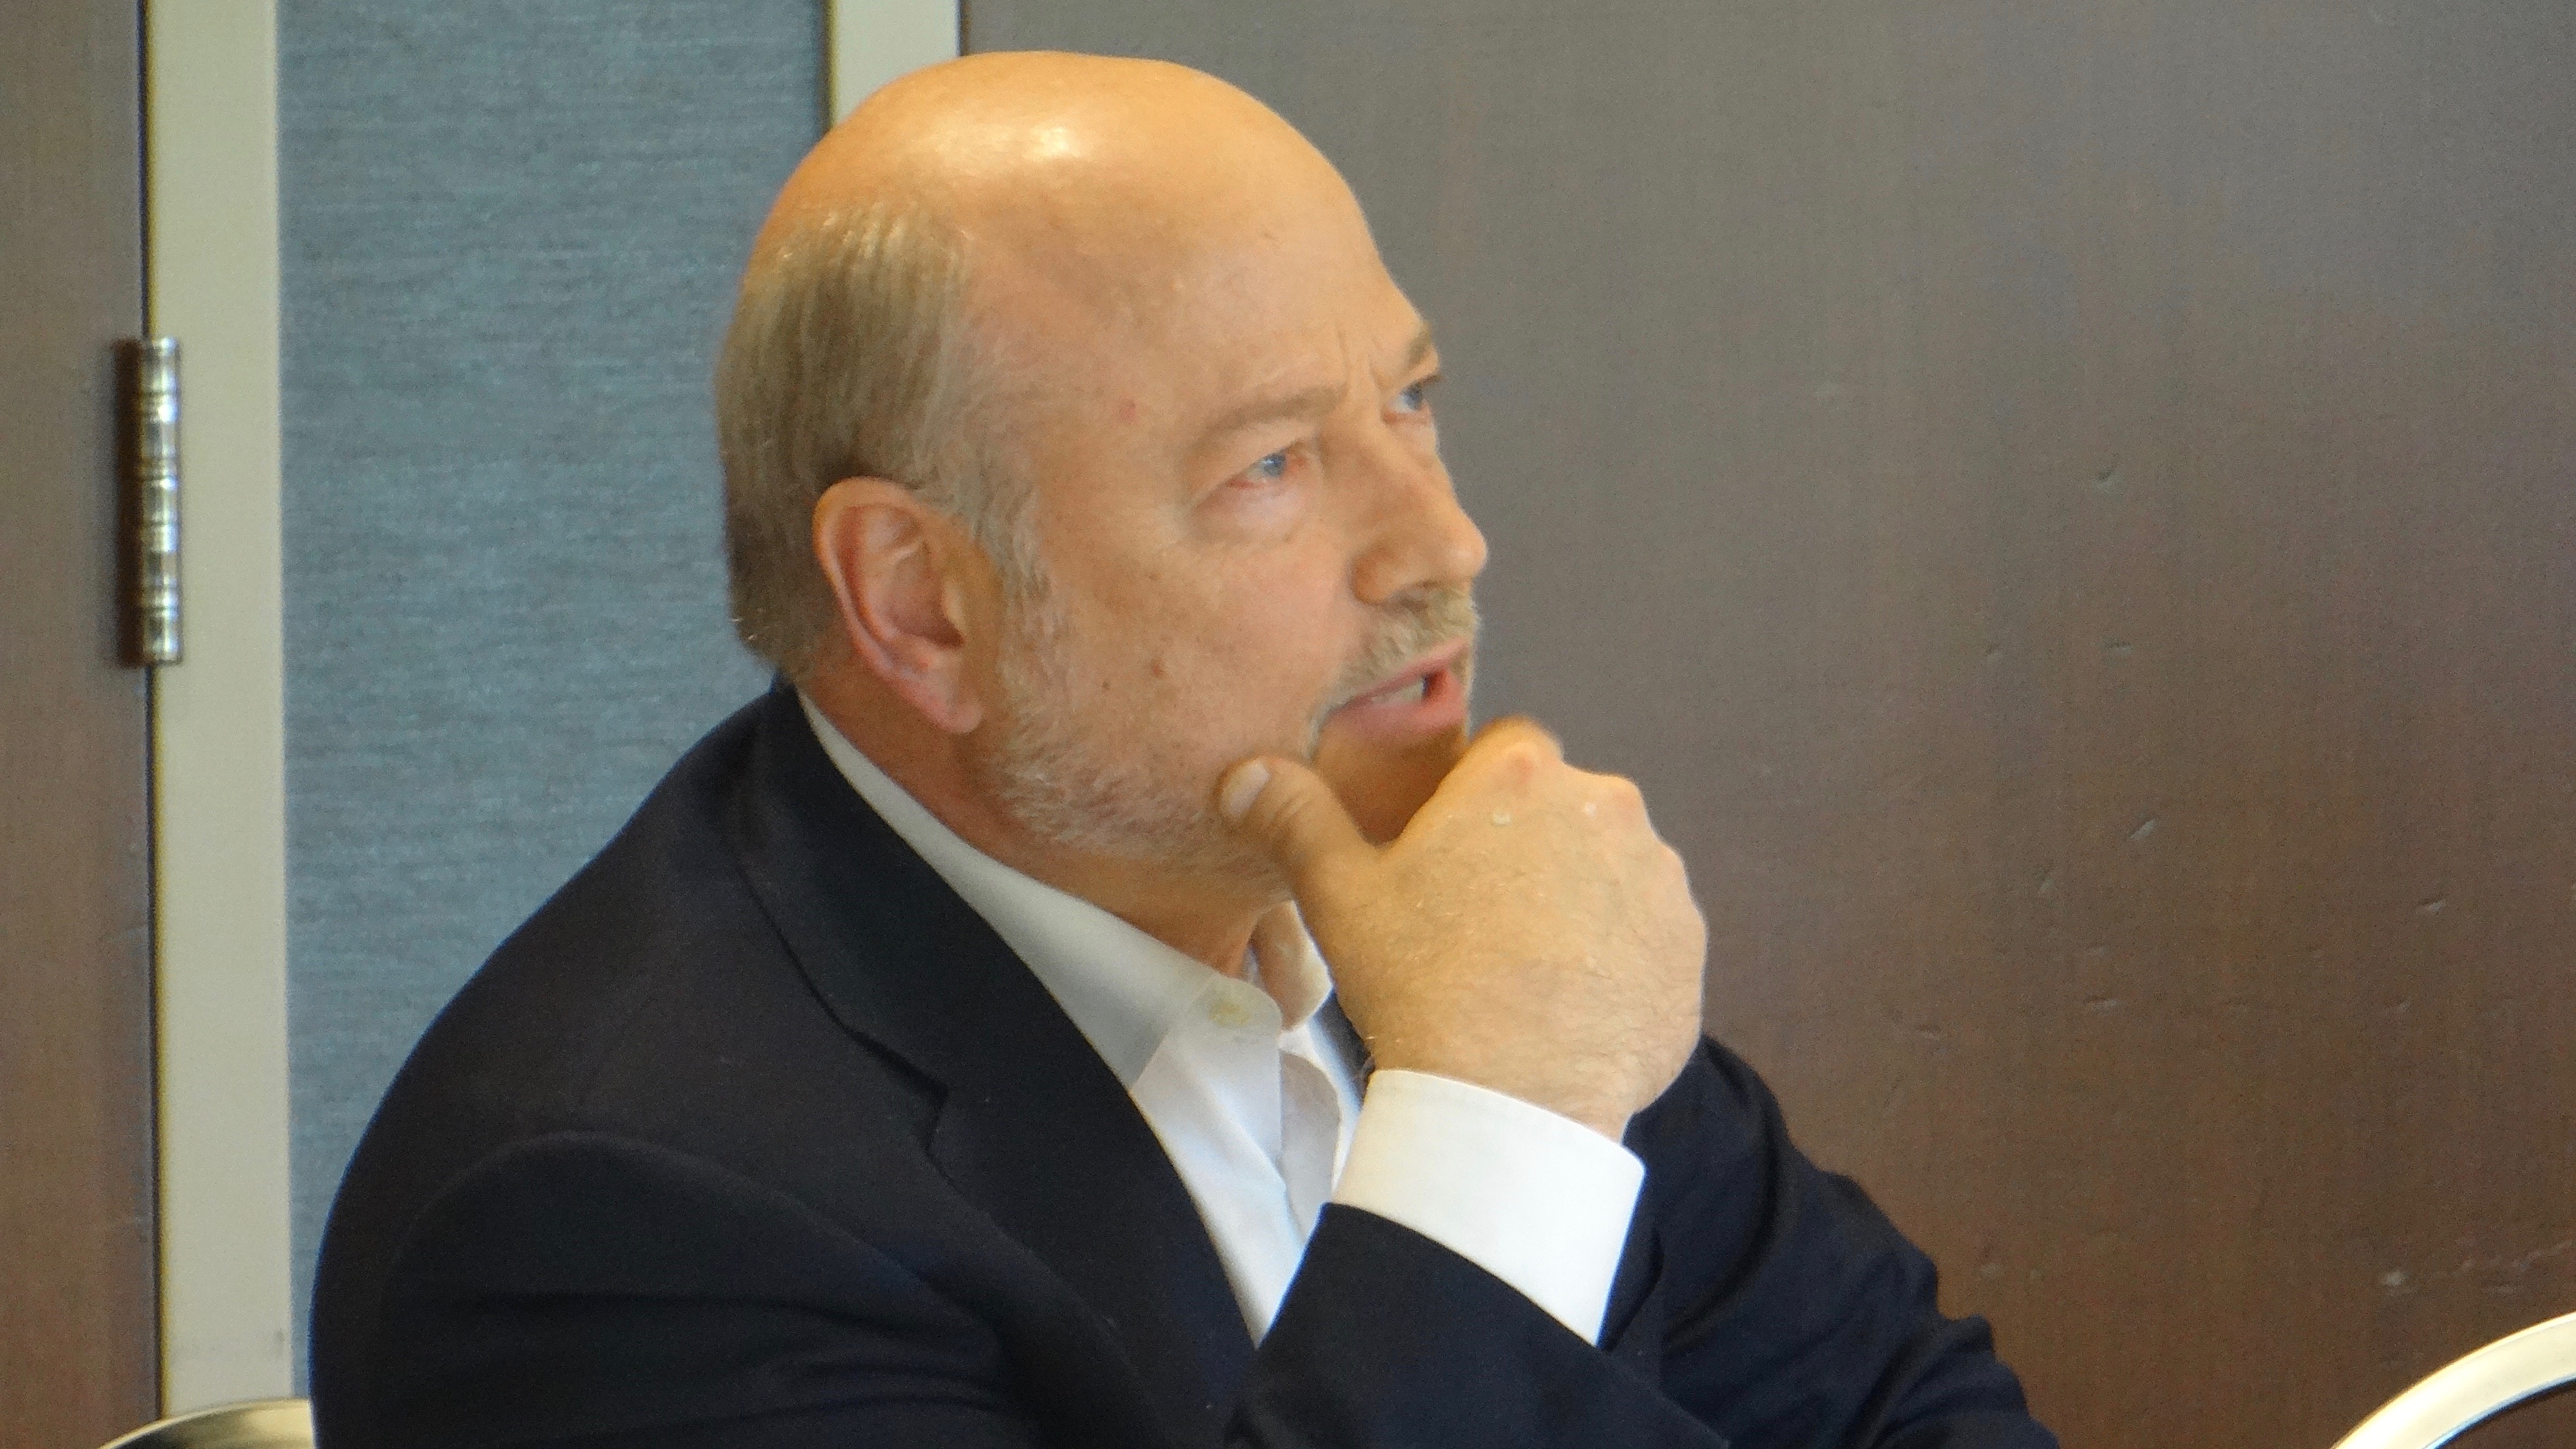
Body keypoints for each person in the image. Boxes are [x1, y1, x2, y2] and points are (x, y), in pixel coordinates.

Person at [309, 52, 2056, 1448]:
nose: (1443, 542)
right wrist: (1490, 1123)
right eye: (1272, 467)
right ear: (922, 602)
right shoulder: (619, 1228)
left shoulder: (1428, 915)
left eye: (1411, 402)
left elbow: (1920, 1419)